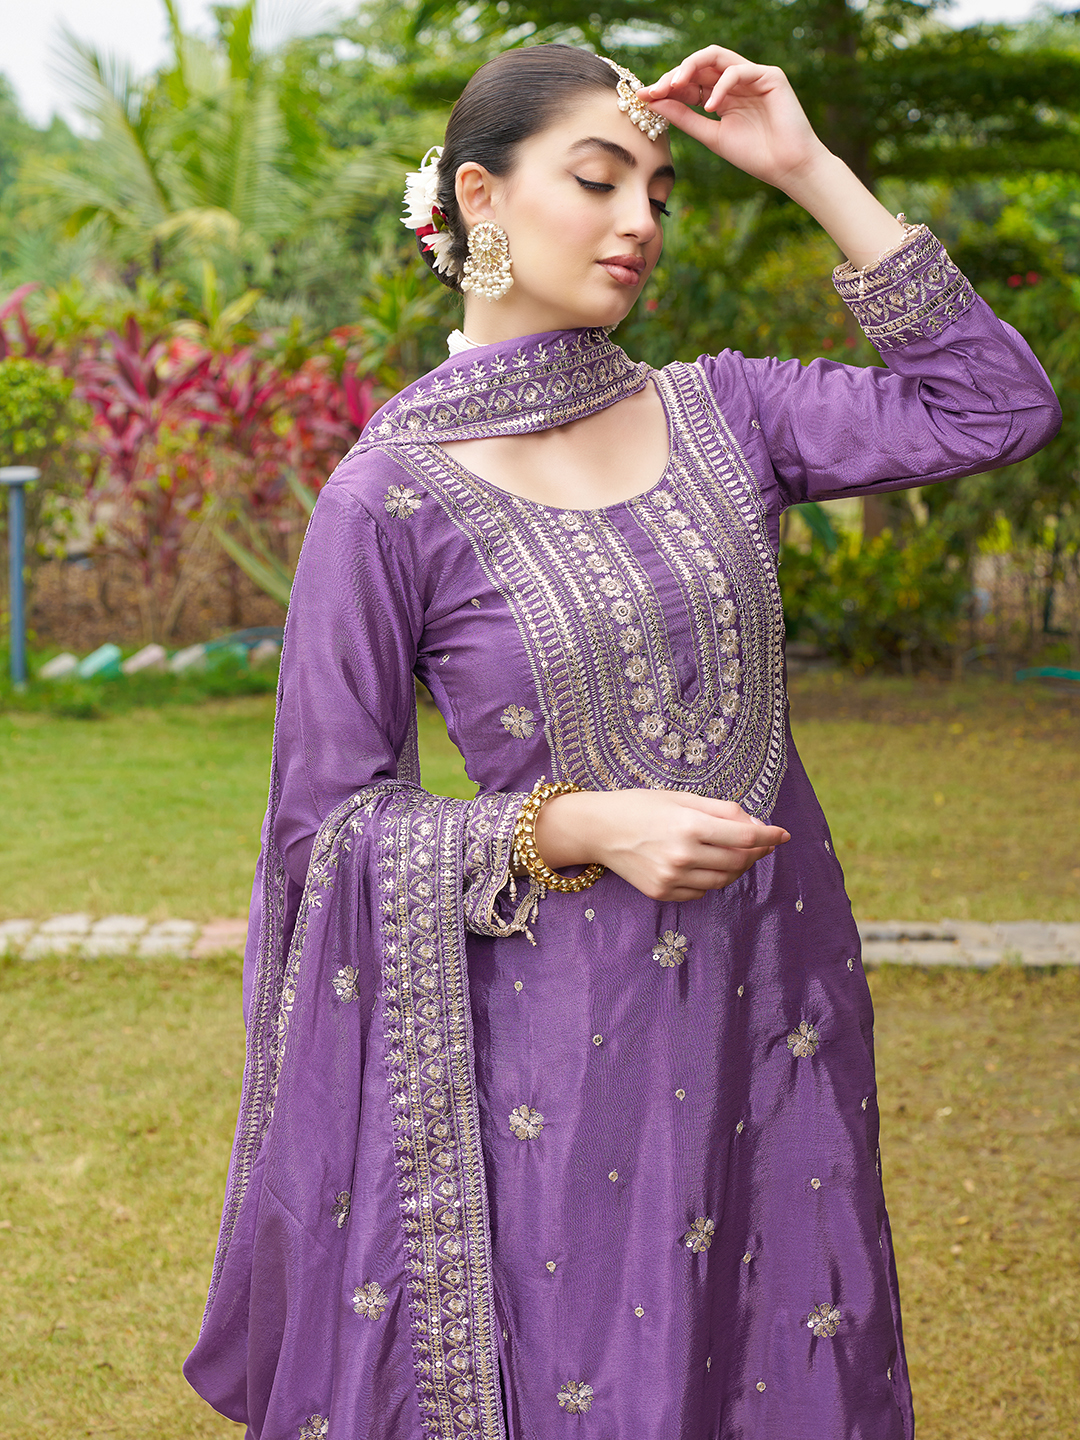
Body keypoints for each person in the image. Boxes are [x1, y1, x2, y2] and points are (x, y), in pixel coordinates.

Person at [185, 43, 1060, 1440]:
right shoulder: (389, 501)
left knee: (782, 1365)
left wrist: (807, 168)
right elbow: (324, 832)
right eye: (598, 180)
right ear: (480, 197)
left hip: (778, 1005)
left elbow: (998, 406)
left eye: (657, 190)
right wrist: (574, 822)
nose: (639, 219)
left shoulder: (730, 413)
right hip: (561, 1052)